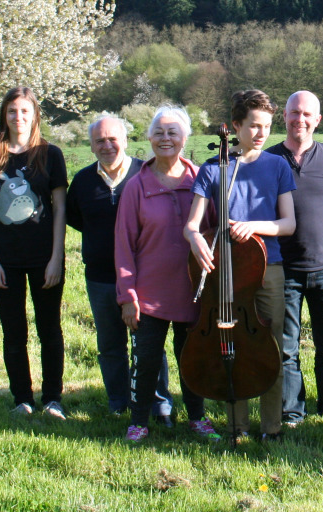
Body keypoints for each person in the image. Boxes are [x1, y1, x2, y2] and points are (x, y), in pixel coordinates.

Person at [186, 89, 296, 442]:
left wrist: (254, 226)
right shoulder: (214, 168)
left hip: (269, 267)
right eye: (253, 126)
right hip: (226, 269)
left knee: (269, 345)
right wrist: (196, 238)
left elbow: (288, 224)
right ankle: (237, 426)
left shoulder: (277, 165)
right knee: (229, 342)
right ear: (235, 126)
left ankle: (272, 427)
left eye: (266, 126)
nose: (261, 133)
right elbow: (192, 224)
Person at [114, 106, 221, 444]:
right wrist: (127, 296)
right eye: (159, 132)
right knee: (145, 361)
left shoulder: (202, 180)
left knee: (192, 359)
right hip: (149, 294)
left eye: (173, 132)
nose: (165, 138)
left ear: (185, 138)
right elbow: (123, 245)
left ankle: (197, 417)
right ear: (148, 137)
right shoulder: (136, 186)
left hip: (193, 291)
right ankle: (139, 420)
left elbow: (217, 231)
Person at [66, 114, 174, 423]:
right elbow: (76, 219)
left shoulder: (147, 173)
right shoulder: (83, 181)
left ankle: (158, 403)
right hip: (100, 278)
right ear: (91, 145)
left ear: (125, 141)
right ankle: (118, 402)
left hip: (146, 277)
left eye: (113, 139)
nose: (107, 145)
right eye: (99, 140)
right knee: (110, 345)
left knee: (149, 345)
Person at [0, 87, 68, 418]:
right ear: (4, 115)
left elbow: (59, 210)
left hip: (45, 258)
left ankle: (53, 399)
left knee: (49, 329)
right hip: (5, 260)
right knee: (14, 332)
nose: (19, 117)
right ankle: (22, 399)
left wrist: (57, 257)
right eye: (12, 111)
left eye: (25, 111)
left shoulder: (50, 155)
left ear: (35, 116)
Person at [266, 91, 323, 429]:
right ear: (283, 116)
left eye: (306, 114)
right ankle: (292, 412)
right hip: (282, 269)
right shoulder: (268, 160)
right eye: (293, 113)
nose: (299, 119)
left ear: (317, 119)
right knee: (285, 348)